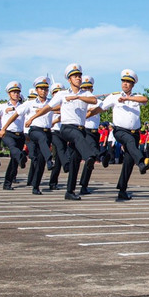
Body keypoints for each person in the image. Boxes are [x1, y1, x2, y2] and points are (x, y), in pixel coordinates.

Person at [27, 63, 99, 200]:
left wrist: (77, 97)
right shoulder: (62, 94)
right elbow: (48, 107)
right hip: (67, 128)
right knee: (78, 139)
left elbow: (94, 100)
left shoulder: (85, 93)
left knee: (75, 161)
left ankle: (70, 191)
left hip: (80, 128)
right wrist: (33, 118)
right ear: (69, 80)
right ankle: (89, 156)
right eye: (75, 76)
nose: (78, 78)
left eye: (79, 76)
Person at [95, 69, 149, 201]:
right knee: (130, 143)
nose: (125, 84)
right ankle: (141, 162)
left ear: (133, 84)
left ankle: (122, 189)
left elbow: (145, 100)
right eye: (124, 81)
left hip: (135, 132)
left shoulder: (136, 97)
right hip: (120, 131)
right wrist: (88, 114)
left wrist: (128, 98)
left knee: (128, 162)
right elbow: (101, 107)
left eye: (128, 82)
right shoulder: (114, 96)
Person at [10, 77, 55, 194]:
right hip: (34, 131)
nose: (44, 91)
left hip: (47, 131)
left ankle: (36, 186)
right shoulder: (29, 103)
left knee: (40, 162)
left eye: (46, 89)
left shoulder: (51, 102)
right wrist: (4, 128)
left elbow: (61, 108)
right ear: (36, 90)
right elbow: (16, 114)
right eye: (41, 89)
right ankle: (50, 159)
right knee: (41, 138)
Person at [46, 83, 67, 191]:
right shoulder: (48, 104)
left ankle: (53, 182)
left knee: (59, 159)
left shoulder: (66, 104)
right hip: (52, 132)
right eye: (55, 92)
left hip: (63, 132)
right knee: (58, 151)